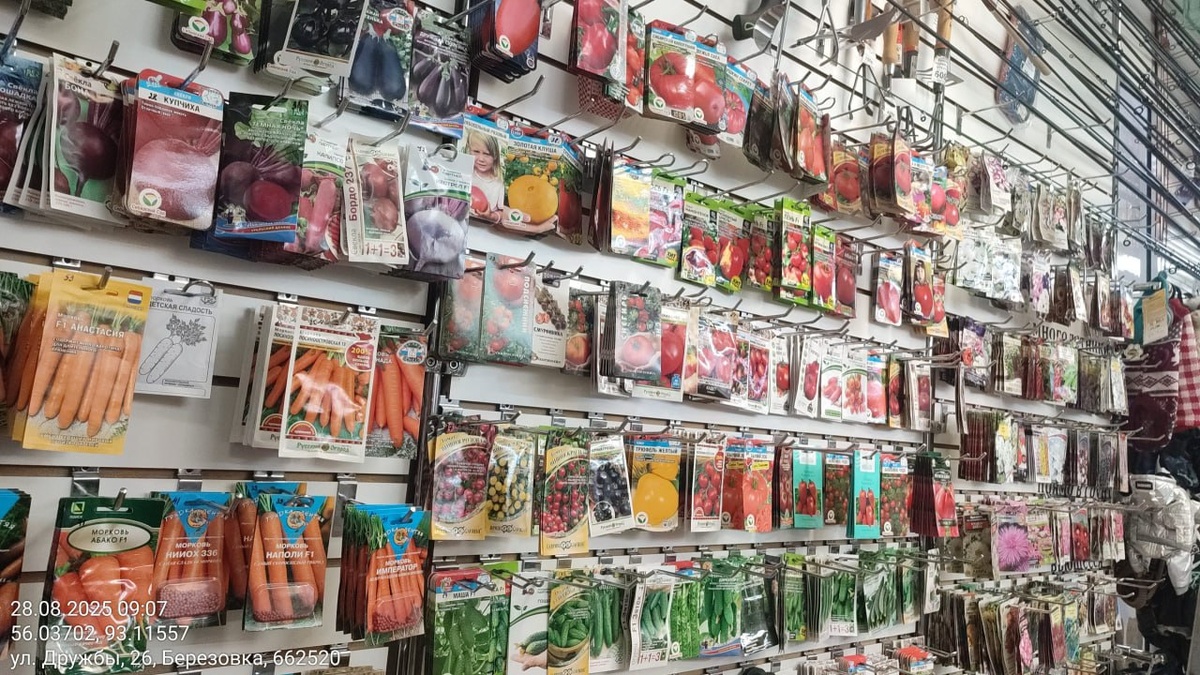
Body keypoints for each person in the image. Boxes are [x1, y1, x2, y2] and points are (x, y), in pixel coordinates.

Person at [467, 130, 505, 223]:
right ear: (469, 150)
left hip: (484, 227)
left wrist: (491, 216)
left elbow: (501, 212)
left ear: (495, 156)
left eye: (487, 154)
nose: (481, 159)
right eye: (476, 151)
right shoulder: (467, 173)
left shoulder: (499, 184)